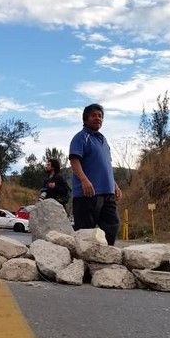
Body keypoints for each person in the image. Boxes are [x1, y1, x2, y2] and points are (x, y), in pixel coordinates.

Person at [69, 103, 122, 245]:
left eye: (100, 116)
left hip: (107, 193)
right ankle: (83, 264)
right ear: (85, 119)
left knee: (112, 226)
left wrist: (115, 185)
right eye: (93, 115)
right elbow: (74, 161)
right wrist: (84, 180)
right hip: (87, 194)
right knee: (85, 231)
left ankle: (107, 257)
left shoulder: (103, 140)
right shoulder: (81, 137)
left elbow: (106, 165)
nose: (98, 118)